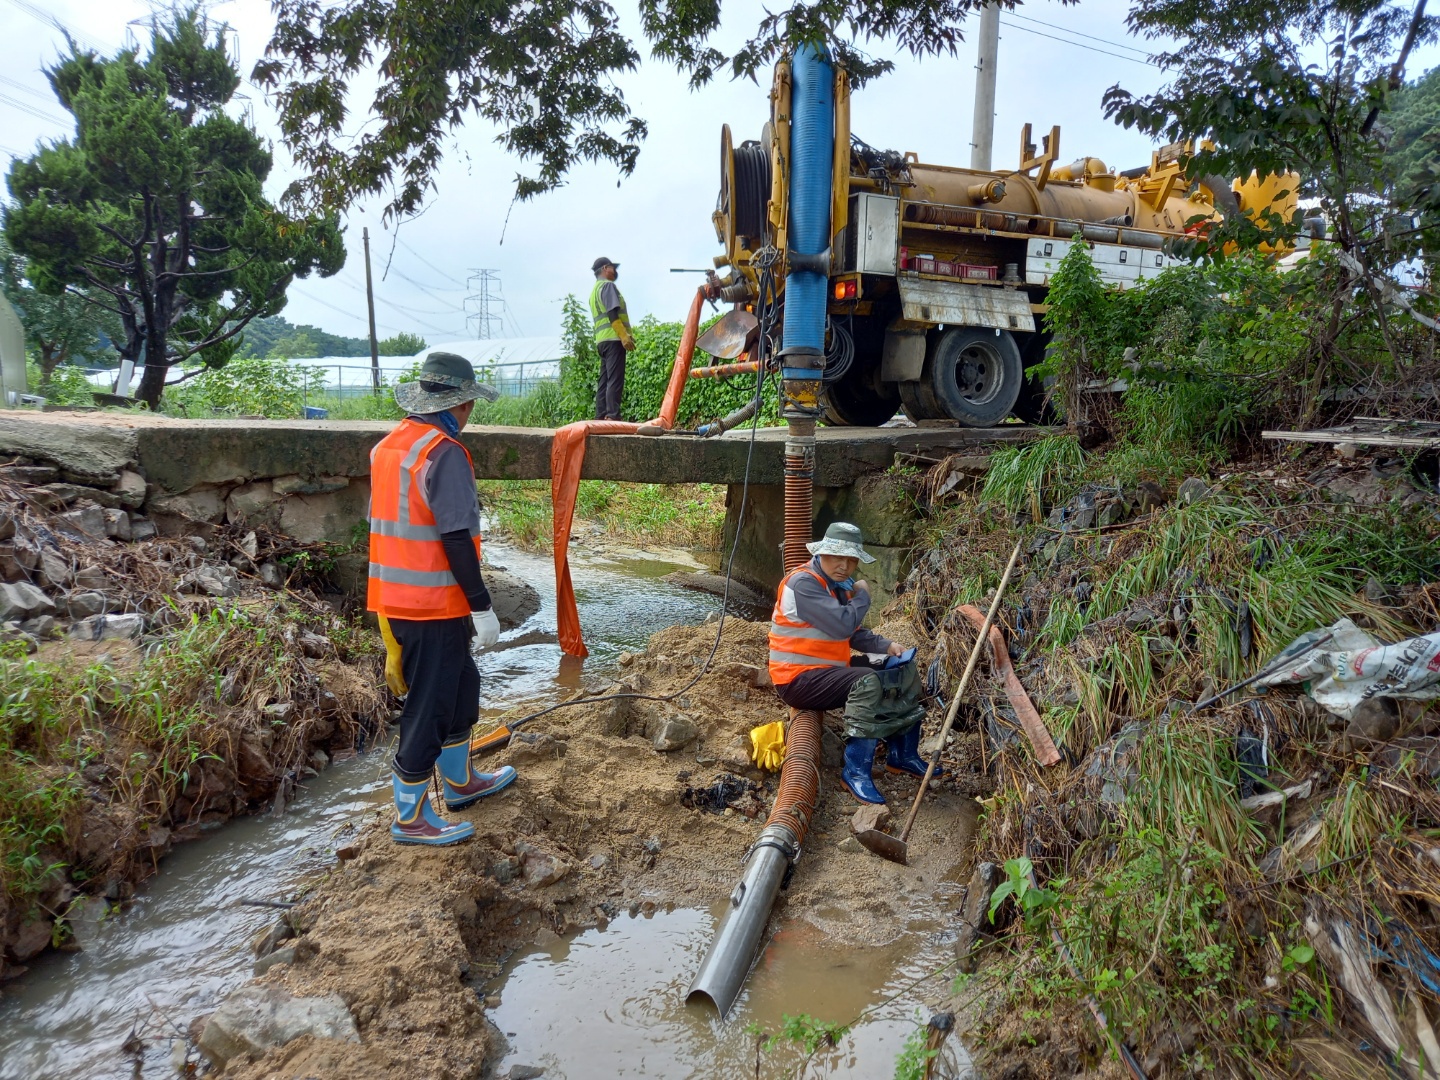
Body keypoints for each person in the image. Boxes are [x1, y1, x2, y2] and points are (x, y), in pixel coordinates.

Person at [368, 351, 518, 846]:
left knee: (461, 687)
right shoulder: (444, 452)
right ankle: (410, 819)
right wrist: (482, 606)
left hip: (397, 597)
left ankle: (458, 782)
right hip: (432, 602)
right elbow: (455, 538)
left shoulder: (391, 445)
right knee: (430, 704)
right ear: (462, 404)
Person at [767, 522, 940, 805]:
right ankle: (855, 772)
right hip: (797, 679)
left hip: (829, 672)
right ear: (822, 553)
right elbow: (842, 625)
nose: (845, 565)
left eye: (851, 559)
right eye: (838, 557)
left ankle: (903, 755)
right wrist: (864, 595)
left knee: (900, 668)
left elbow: (853, 632)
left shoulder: (836, 585)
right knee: (867, 681)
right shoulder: (804, 583)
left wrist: (886, 647)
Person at [589, 256, 635, 420]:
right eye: (613, 268)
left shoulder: (594, 291)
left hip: (601, 341)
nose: (615, 271)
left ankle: (600, 415)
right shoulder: (608, 286)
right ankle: (612, 415)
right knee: (615, 379)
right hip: (614, 339)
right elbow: (612, 313)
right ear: (605, 268)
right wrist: (624, 336)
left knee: (605, 380)